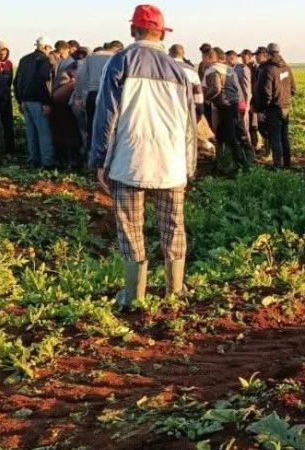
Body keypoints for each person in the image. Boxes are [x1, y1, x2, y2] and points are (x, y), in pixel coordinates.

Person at [90, 4, 197, 308]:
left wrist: (99, 160)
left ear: (132, 30)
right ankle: (176, 291)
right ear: (162, 33)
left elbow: (106, 114)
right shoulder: (180, 70)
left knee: (130, 228)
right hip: (171, 164)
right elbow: (190, 125)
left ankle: (133, 296)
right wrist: (189, 166)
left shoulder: (120, 61)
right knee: (174, 226)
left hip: (129, 161)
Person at [204, 47, 252, 171]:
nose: (204, 60)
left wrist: (206, 98)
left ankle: (242, 165)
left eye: (206, 57)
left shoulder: (214, 70)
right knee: (223, 134)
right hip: (233, 104)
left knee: (231, 137)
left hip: (225, 106)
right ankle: (223, 163)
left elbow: (216, 88)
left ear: (210, 58)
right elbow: (237, 87)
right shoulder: (229, 69)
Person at [73, 40, 122, 154]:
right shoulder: (116, 58)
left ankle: (90, 156)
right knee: (110, 128)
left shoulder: (90, 58)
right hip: (110, 95)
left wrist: (80, 96)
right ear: (117, 49)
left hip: (92, 94)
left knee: (92, 127)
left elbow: (80, 76)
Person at [14, 36, 56, 169]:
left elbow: (17, 82)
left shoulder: (24, 59)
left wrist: (20, 100)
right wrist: (46, 102)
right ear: (45, 47)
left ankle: (34, 160)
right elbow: (43, 82)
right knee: (44, 133)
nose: (50, 51)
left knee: (31, 133)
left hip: (25, 101)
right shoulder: (44, 60)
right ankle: (47, 162)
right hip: (38, 101)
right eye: (49, 48)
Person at [253, 43, 294, 169]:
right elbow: (293, 89)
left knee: (275, 138)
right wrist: (285, 100)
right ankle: (287, 164)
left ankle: (277, 166)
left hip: (273, 108)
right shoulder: (287, 68)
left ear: (268, 54)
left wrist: (261, 109)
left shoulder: (268, 69)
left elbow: (266, 93)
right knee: (284, 137)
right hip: (285, 107)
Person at [51, 47, 85, 169]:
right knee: (72, 134)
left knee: (62, 134)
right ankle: (74, 163)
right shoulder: (72, 71)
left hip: (59, 105)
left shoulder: (64, 66)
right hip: (66, 106)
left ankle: (62, 161)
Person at [0, 40, 15, 158]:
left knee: (9, 125)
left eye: (5, 52)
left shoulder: (8, 64)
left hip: (5, 99)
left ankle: (10, 151)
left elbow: (10, 81)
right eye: (1, 52)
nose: (3, 55)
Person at [234, 49, 257, 150]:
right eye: (242, 57)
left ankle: (252, 147)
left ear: (250, 56)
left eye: (244, 57)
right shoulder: (242, 67)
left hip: (250, 99)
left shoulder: (250, 68)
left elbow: (248, 88)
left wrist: (247, 103)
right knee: (249, 124)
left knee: (251, 124)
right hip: (247, 99)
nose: (243, 59)